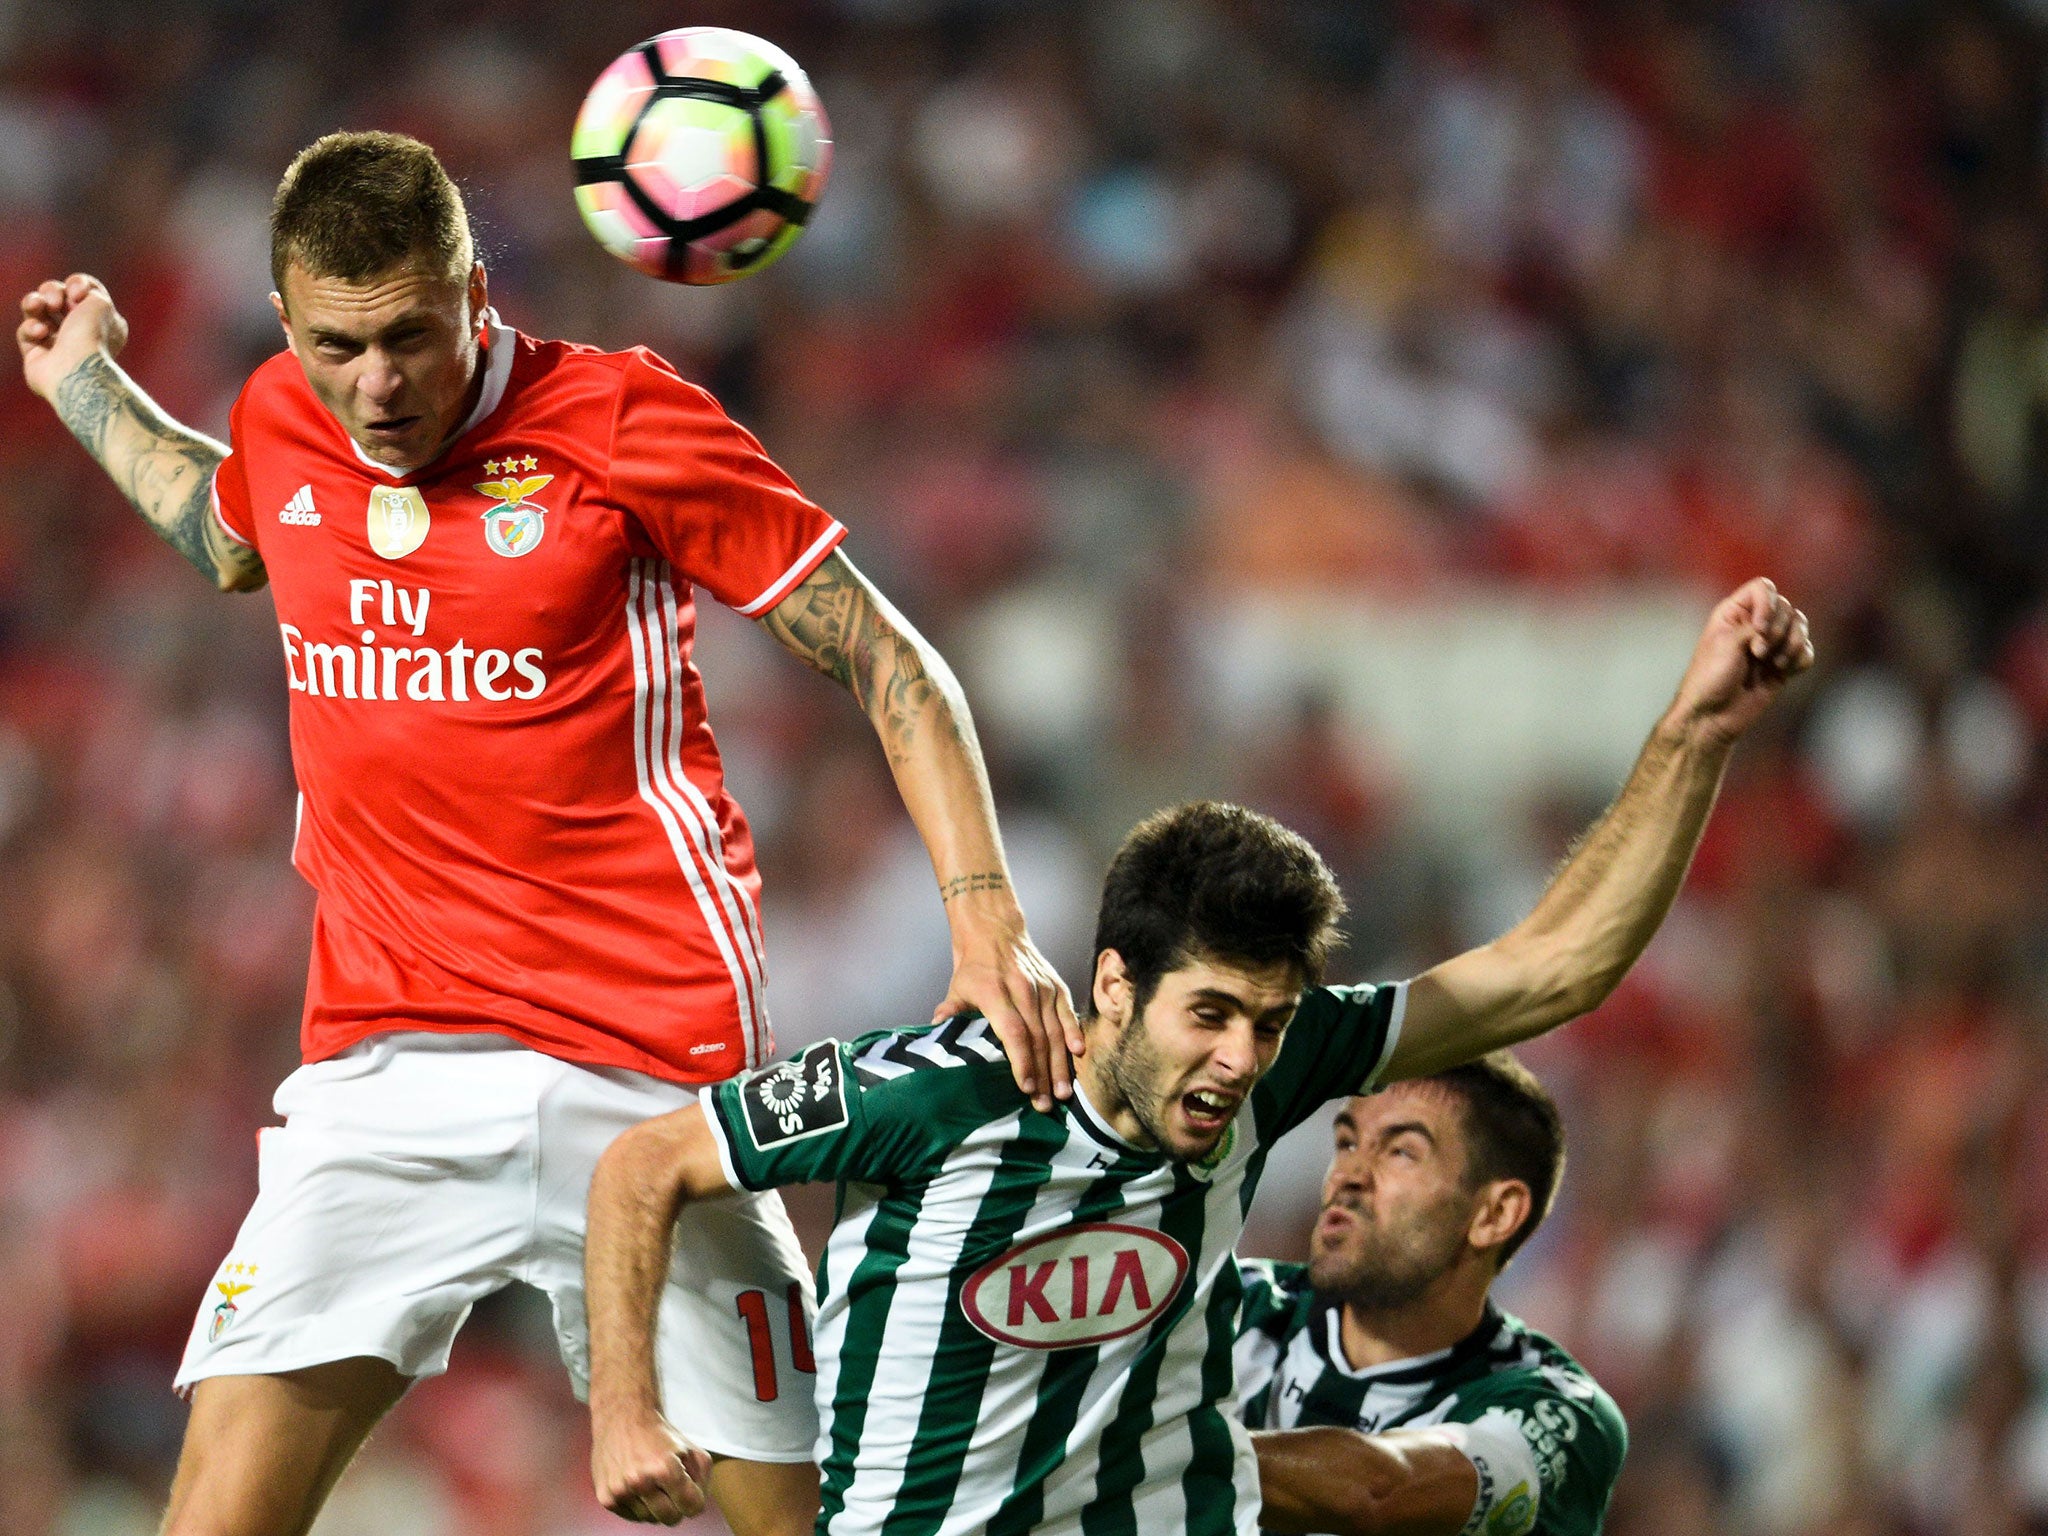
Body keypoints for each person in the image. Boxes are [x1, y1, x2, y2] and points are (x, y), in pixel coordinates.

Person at [14, 131, 1079, 1536]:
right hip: (384, 1073)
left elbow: (887, 656)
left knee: (807, 1527)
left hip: (645, 1064)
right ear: (286, 322)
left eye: (410, 334)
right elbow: (226, 533)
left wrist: (984, 911)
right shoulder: (285, 418)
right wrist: (80, 380)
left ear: (474, 290)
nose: (377, 384)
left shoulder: (622, 422)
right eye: (339, 344)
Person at [581, 578, 1810, 1536]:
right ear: (1111, 987)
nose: (1239, 1061)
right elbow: (645, 1165)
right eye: (1209, 1014)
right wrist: (626, 1410)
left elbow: (1553, 968)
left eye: (1269, 1024)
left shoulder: (1272, 1079)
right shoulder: (943, 1083)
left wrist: (1690, 735)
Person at [1238, 1054, 1623, 1536]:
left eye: (1400, 1152)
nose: (1347, 1175)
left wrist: (1162, 1453)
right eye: (1346, 1142)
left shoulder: (1557, 1411)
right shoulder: (1234, 1308)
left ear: (1494, 1215)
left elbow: (1381, 1494)